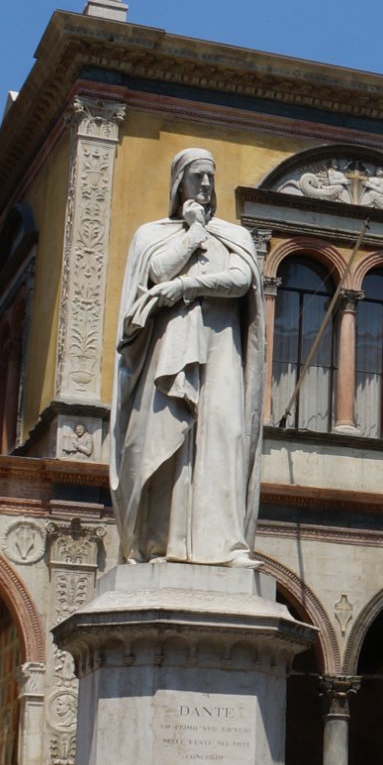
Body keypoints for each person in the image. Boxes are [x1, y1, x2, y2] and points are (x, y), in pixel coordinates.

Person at [110, 147, 265, 566]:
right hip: (168, 354)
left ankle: (225, 545)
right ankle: (161, 544)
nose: (207, 186)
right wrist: (194, 234)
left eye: (211, 177)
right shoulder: (153, 234)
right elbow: (157, 271)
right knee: (166, 441)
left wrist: (186, 288)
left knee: (224, 436)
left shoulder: (234, 236)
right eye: (197, 177)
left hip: (221, 352)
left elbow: (241, 279)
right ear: (179, 183)